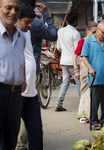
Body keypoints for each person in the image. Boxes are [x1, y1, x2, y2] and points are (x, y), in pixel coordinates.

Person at [15, 2, 43, 150]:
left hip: (31, 92)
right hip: (15, 91)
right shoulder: (8, 34)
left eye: (31, 22)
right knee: (9, 132)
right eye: (27, 22)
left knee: (36, 130)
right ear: (17, 19)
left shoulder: (26, 32)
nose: (30, 25)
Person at [0, 0, 27, 149]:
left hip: (15, 96)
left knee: (11, 140)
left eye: (16, 9)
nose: (13, 12)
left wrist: (22, 79)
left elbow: (18, 60)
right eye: (8, 8)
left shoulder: (21, 37)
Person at [20, 0, 57, 88]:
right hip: (29, 70)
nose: (29, 25)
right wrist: (46, 14)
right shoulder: (35, 23)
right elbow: (53, 35)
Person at [72, 21, 99, 122]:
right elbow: (74, 56)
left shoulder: (97, 41)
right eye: (93, 32)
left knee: (95, 91)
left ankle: (94, 114)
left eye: (97, 32)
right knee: (85, 92)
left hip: (95, 70)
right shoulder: (83, 42)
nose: (95, 34)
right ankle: (84, 114)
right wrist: (76, 70)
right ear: (87, 31)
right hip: (84, 70)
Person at [55, 12, 81, 111]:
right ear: (75, 21)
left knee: (65, 83)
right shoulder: (76, 33)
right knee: (79, 83)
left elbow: (59, 47)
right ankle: (83, 105)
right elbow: (77, 51)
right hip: (73, 63)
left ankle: (59, 103)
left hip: (64, 61)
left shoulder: (60, 31)